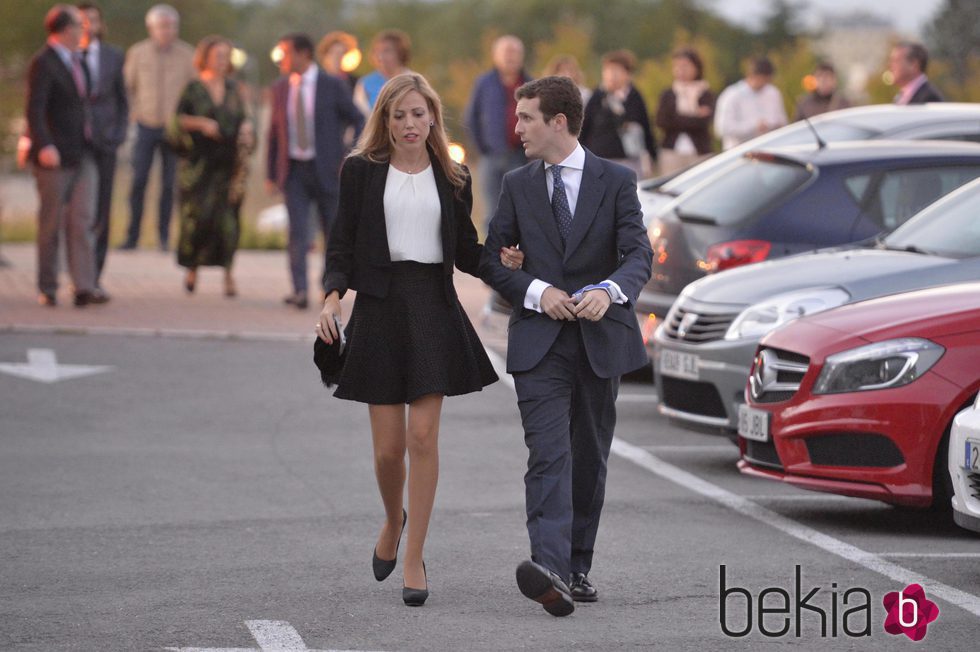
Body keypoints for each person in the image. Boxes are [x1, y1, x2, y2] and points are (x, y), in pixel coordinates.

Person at [315, 73, 523, 607]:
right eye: (399, 115)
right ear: (385, 120)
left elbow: (466, 249)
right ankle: (392, 520)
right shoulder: (361, 171)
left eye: (418, 114)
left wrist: (503, 264)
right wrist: (332, 298)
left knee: (423, 438)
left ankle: (414, 557)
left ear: (433, 117)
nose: (410, 124)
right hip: (380, 309)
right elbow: (340, 244)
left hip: (432, 306)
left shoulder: (452, 175)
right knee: (387, 452)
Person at [481, 76, 653, 617]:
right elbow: (491, 259)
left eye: (527, 117)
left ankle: (576, 566)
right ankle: (548, 568)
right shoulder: (517, 184)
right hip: (539, 343)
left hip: (601, 340)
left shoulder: (617, 181)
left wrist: (608, 290)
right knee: (548, 454)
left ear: (559, 122)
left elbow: (638, 254)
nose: (517, 127)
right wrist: (536, 290)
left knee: (589, 458)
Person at [267, 33, 364, 309]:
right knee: (297, 232)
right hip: (294, 170)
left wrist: (349, 154)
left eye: (285, 53)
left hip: (327, 170)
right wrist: (270, 173)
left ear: (303, 54)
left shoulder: (331, 85)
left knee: (331, 232)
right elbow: (274, 132)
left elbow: (357, 119)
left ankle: (329, 289)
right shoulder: (280, 87)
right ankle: (298, 290)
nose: (281, 60)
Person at [25, 5, 106, 307]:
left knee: (82, 219)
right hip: (54, 155)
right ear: (66, 29)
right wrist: (43, 144)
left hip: (83, 152)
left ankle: (84, 285)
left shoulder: (80, 61)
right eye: (79, 26)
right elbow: (34, 109)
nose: (84, 31)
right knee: (51, 222)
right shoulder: (43, 63)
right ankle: (48, 285)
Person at [169, 35, 248, 297]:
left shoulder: (234, 89)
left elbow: (245, 118)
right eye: (218, 56)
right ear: (206, 58)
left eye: (226, 56)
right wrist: (201, 124)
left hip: (227, 166)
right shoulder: (193, 88)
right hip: (198, 165)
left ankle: (228, 274)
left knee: (228, 222)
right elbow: (177, 121)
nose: (222, 61)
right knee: (196, 220)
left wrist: (247, 128)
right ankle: (192, 269)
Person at [121, 3, 195, 250]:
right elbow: (127, 88)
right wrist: (133, 113)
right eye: (162, 26)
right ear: (151, 28)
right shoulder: (138, 53)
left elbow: (194, 92)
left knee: (169, 184)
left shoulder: (187, 55)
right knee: (139, 180)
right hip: (145, 124)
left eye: (172, 26)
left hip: (174, 129)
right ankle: (132, 237)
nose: (168, 30)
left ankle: (164, 238)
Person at [75, 3, 127, 291]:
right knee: (76, 212)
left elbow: (122, 100)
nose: (86, 26)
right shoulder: (65, 56)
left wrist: (118, 134)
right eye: (80, 21)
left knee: (101, 210)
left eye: (91, 20)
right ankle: (75, 275)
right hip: (74, 145)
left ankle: (94, 276)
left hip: (105, 143)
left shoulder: (113, 56)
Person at [464, 35, 531, 231]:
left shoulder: (530, 84)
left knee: (519, 208)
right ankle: (492, 256)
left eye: (515, 52)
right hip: (491, 155)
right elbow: (471, 117)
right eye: (506, 52)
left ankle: (517, 255)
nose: (510, 57)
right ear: (496, 56)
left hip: (521, 156)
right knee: (491, 210)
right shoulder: (484, 83)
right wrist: (481, 147)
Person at [581, 49, 658, 179]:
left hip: (628, 159)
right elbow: (584, 126)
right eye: (608, 70)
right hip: (599, 157)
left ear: (628, 74)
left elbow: (645, 127)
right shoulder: (598, 96)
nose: (612, 75)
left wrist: (653, 156)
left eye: (617, 71)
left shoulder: (634, 96)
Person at [655, 47, 715, 175]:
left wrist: (677, 117)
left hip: (699, 151)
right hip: (672, 151)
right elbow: (662, 121)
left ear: (696, 67)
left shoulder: (705, 93)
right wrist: (694, 116)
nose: (680, 70)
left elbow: (704, 122)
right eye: (677, 66)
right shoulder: (668, 94)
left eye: (685, 66)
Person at [714, 56, 787, 151]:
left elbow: (782, 121)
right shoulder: (732, 95)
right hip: (739, 152)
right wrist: (753, 126)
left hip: (769, 150)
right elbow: (722, 129)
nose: (765, 84)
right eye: (763, 79)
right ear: (752, 76)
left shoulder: (773, 93)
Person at [353, 29, 411, 115]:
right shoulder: (365, 83)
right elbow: (360, 115)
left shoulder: (413, 80)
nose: (380, 57)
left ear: (400, 53)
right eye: (377, 51)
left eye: (387, 51)